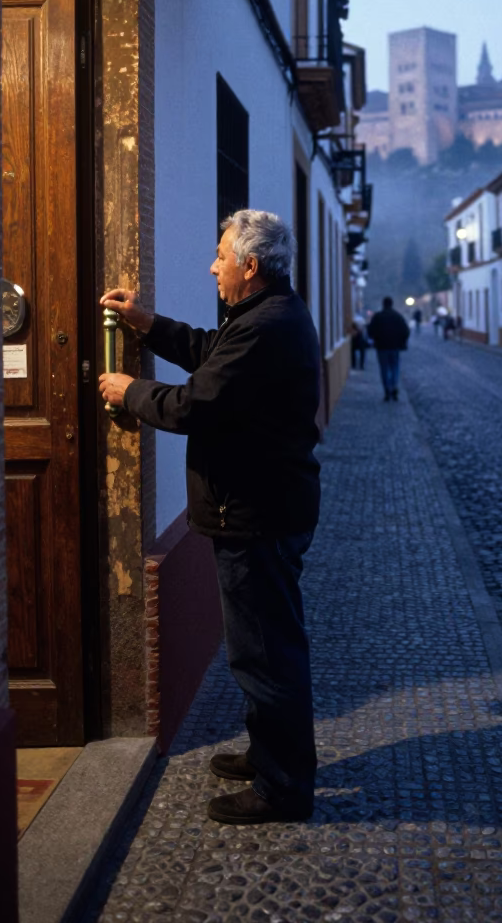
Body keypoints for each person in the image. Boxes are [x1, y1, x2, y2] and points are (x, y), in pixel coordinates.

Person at [98, 210, 320, 825]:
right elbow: (207, 353)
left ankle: (282, 789)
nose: (212, 265)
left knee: (264, 654)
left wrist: (128, 392)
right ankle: (269, 754)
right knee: (265, 647)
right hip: (263, 507)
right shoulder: (261, 317)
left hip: (257, 515)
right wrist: (148, 326)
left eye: (221, 255)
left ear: (249, 266)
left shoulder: (265, 327)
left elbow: (197, 402)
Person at [367, 297, 410, 401]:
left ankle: (387, 389)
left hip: (382, 347)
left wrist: (375, 339)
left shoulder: (378, 317)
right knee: (395, 368)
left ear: (383, 304)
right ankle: (394, 385)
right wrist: (402, 342)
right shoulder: (397, 316)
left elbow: (370, 331)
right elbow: (406, 331)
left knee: (384, 369)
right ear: (392, 304)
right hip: (395, 347)